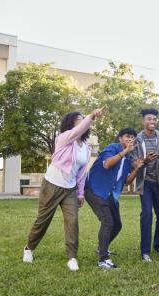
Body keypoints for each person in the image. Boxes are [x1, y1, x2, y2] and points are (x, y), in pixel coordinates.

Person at [22, 108, 104, 271]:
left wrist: (80, 193)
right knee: (43, 220)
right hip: (52, 184)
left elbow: (81, 172)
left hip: (69, 189)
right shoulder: (64, 139)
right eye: (78, 119)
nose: (82, 122)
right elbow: (77, 131)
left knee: (72, 222)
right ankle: (29, 248)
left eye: (83, 119)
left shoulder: (86, 148)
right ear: (71, 124)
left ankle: (72, 257)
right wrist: (92, 116)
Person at [85, 128, 144, 269]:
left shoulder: (128, 158)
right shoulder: (112, 148)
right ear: (120, 138)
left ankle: (102, 248)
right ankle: (103, 259)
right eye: (127, 137)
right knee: (107, 222)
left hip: (109, 194)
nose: (130, 139)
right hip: (95, 190)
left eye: (133, 137)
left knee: (117, 224)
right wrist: (124, 151)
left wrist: (136, 169)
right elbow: (106, 164)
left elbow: (127, 182)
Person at [133, 108, 159, 262]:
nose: (152, 122)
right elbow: (134, 161)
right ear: (144, 121)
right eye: (149, 119)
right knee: (147, 214)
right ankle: (145, 251)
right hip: (146, 183)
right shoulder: (137, 139)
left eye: (154, 119)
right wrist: (145, 162)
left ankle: (157, 244)